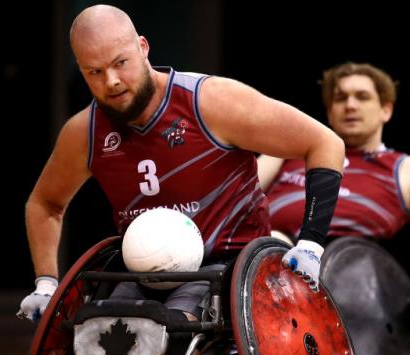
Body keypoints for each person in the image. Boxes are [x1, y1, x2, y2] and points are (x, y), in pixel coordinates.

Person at [17, 4, 344, 323]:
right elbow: (45, 203)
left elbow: (324, 143)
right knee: (100, 338)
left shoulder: (211, 101)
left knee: (170, 339)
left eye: (121, 62)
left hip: (228, 267)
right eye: (95, 72)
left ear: (143, 47)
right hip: (143, 271)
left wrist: (311, 244)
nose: (112, 81)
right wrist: (46, 284)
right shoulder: (84, 132)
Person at [258, 62, 410, 296]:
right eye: (340, 98)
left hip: (356, 292)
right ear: (330, 112)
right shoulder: (285, 152)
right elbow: (236, 201)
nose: (350, 105)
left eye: (362, 97)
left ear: (386, 110)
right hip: (271, 264)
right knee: (268, 244)